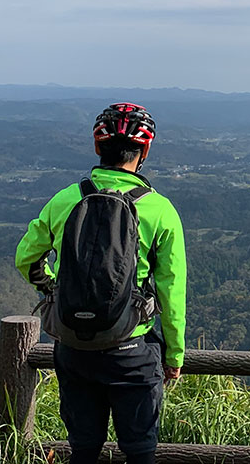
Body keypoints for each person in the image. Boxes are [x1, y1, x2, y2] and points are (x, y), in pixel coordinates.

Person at [16, 103, 187, 464]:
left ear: (98, 148)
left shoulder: (65, 199)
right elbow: (173, 291)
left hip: (73, 347)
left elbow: (26, 259)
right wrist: (174, 355)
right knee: (140, 452)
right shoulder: (160, 210)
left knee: (83, 449)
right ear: (145, 150)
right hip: (132, 348)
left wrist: (51, 289)